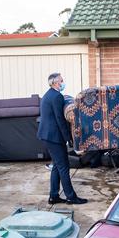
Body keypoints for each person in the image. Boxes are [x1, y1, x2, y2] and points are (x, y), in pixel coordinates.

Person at [37, 72, 87, 205]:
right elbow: (60, 119)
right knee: (64, 167)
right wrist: (68, 138)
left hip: (47, 135)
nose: (63, 82)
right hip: (54, 137)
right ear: (54, 83)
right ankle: (71, 197)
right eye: (61, 80)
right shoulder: (57, 96)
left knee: (57, 167)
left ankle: (54, 196)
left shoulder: (48, 95)